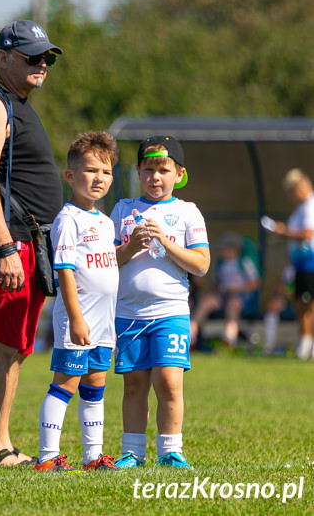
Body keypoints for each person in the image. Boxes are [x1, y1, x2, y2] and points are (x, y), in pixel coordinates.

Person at [0, 20, 63, 466]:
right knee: (3, 343)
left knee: (17, 347)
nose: (42, 64)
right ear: (4, 58)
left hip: (31, 242)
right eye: (32, 57)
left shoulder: (15, 101)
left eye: (48, 57)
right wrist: (3, 246)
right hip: (14, 241)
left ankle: (2, 441)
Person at [111, 135, 210, 469]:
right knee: (134, 384)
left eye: (163, 169)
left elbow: (201, 263)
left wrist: (166, 243)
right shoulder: (123, 209)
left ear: (178, 174)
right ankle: (132, 452)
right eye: (148, 169)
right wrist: (130, 247)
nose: (156, 177)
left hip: (170, 312)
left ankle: (170, 451)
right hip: (128, 314)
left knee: (168, 381)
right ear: (138, 172)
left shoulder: (187, 212)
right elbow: (108, 259)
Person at [35, 131, 119, 472]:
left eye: (107, 172)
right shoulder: (67, 219)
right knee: (65, 383)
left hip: (104, 320)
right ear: (70, 175)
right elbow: (65, 272)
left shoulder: (105, 220)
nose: (99, 178)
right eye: (90, 170)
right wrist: (76, 317)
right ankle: (47, 457)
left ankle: (92, 456)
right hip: (78, 318)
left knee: (96, 383)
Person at [270, 169, 314, 359]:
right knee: (301, 304)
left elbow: (308, 233)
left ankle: (306, 346)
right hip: (300, 265)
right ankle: (305, 343)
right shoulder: (301, 207)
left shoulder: (310, 206)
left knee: (307, 304)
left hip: (309, 264)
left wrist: (284, 231)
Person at [189, 232, 260, 349]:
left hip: (240, 296)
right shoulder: (221, 264)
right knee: (206, 302)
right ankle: (192, 332)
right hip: (222, 295)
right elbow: (215, 284)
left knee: (233, 305)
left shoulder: (244, 262)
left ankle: (229, 336)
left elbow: (255, 284)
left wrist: (234, 288)